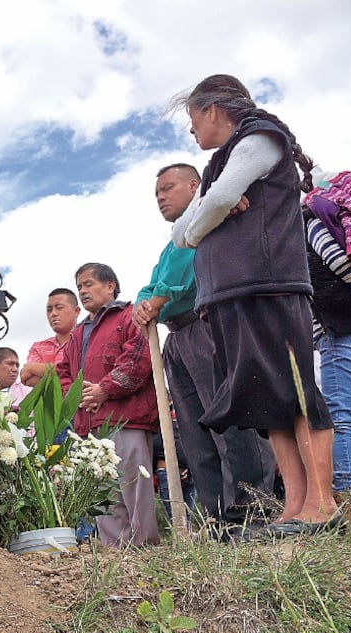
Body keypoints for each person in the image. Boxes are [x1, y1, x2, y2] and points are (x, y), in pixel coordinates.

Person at [170, 74, 338, 534]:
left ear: (212, 110)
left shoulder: (261, 137)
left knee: (297, 389)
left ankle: (322, 505)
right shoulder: (220, 163)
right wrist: (212, 212)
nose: (191, 131)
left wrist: (213, 210)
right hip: (232, 292)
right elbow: (179, 232)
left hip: (269, 283)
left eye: (192, 119)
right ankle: (295, 508)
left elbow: (218, 201)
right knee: (267, 398)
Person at [133, 163, 275, 535]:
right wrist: (146, 301)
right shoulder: (171, 244)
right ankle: (214, 519)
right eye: (156, 193)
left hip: (208, 326)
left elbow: (177, 279)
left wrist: (159, 297)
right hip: (176, 337)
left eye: (168, 188)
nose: (160, 197)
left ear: (195, 186)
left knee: (230, 422)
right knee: (196, 434)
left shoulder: (208, 221)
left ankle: (252, 511)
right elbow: (151, 286)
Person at [57, 263, 159, 547]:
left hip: (127, 418)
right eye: (79, 287)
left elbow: (138, 359)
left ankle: (144, 550)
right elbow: (62, 372)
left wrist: (104, 389)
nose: (82, 291)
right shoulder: (78, 333)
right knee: (103, 493)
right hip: (90, 424)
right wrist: (78, 396)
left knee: (134, 486)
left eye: (88, 284)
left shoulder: (129, 316)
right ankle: (116, 553)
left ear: (110, 285)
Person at [303, 167, 351, 499]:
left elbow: (341, 266)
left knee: (346, 411)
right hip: (339, 324)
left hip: (341, 325)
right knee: (347, 410)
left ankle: (350, 488)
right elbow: (341, 265)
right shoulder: (324, 220)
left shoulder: (318, 219)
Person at [21, 289, 81, 387]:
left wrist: (33, 368)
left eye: (59, 308)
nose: (53, 313)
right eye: (49, 310)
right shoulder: (38, 347)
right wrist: (65, 376)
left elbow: (81, 377)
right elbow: (28, 379)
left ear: (76, 311)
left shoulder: (85, 342)